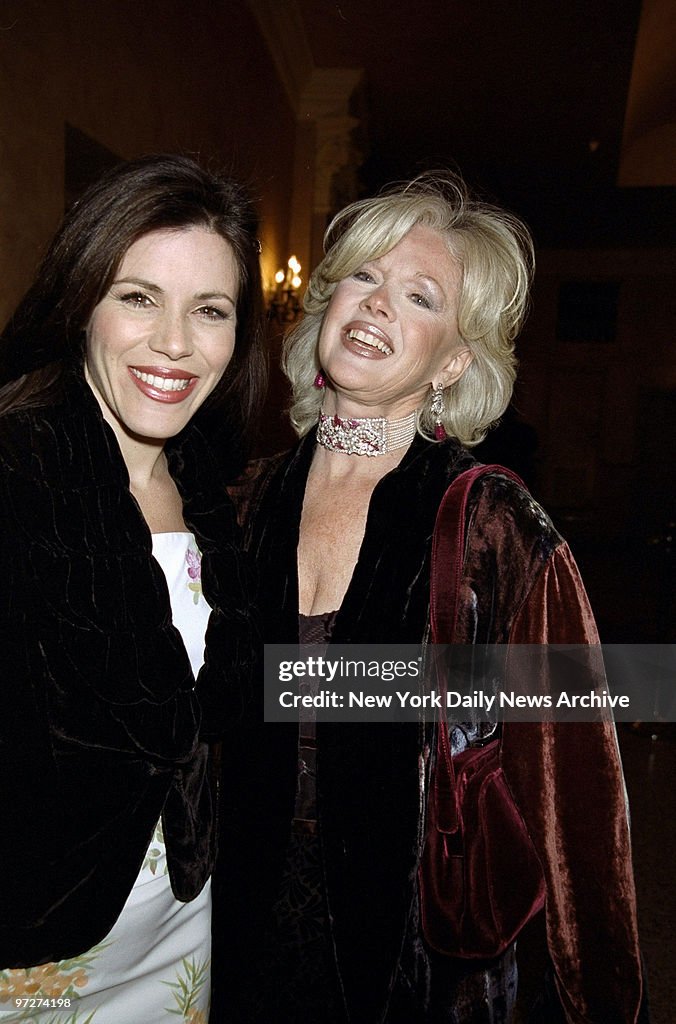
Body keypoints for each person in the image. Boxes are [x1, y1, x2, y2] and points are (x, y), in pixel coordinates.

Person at [220, 173, 644, 1023]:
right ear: (325, 301)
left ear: (454, 360)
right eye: (363, 277)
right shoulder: (238, 501)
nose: (376, 304)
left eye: (418, 296)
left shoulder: (496, 527)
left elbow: (576, 806)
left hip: (414, 963)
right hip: (233, 934)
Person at [0, 154, 266, 1022]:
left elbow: (231, 698)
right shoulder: (17, 469)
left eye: (211, 311)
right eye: (139, 297)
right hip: (35, 956)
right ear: (81, 303)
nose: (177, 344)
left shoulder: (209, 484)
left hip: (180, 931)